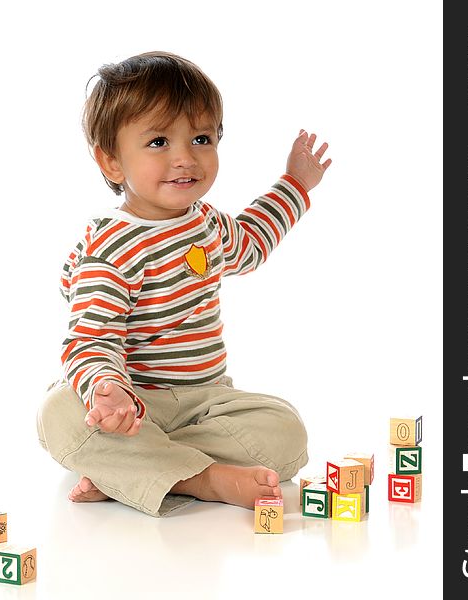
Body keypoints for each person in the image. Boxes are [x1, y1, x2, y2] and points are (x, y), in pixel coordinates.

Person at [36, 51, 332, 517]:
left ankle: (132, 472)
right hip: (132, 403)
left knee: (286, 430)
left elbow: (252, 240)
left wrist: (296, 183)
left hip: (205, 402)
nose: (185, 158)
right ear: (112, 162)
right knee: (59, 416)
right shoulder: (110, 248)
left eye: (201, 138)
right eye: (158, 141)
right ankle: (202, 477)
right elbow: (89, 339)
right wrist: (107, 389)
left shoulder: (207, 226)